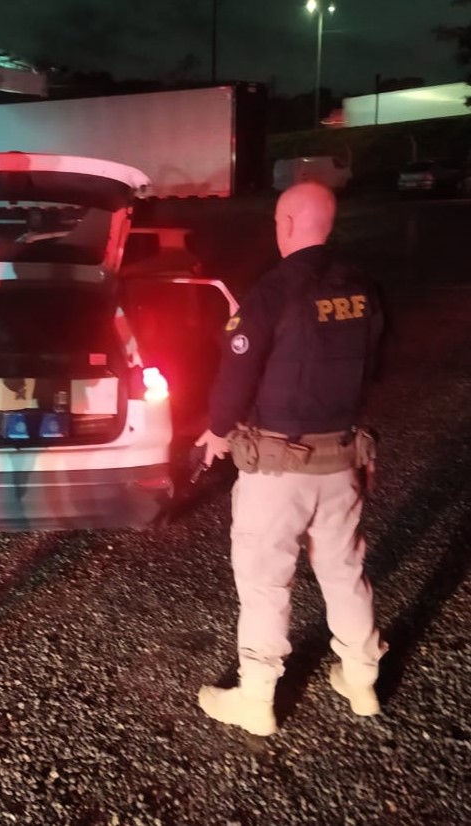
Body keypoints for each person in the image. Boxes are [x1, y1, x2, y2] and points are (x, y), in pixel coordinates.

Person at [194, 180, 387, 737]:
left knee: (265, 580)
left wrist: (216, 431)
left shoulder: (272, 292)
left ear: (285, 224)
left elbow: (237, 375)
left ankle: (257, 699)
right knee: (344, 571)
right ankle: (362, 679)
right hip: (342, 459)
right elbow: (374, 364)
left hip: (278, 470)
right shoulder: (363, 288)